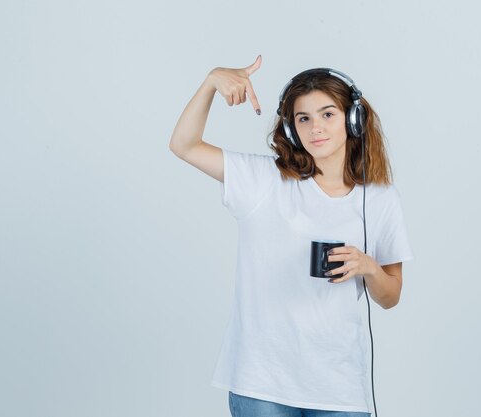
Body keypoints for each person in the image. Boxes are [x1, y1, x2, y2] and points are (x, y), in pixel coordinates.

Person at [169, 55, 414, 417]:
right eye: (304, 118)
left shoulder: (379, 198)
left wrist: (368, 267)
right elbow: (184, 145)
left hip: (339, 388)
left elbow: (391, 296)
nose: (316, 127)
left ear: (353, 120)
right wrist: (210, 82)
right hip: (262, 383)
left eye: (328, 114)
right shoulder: (264, 181)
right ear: (291, 127)